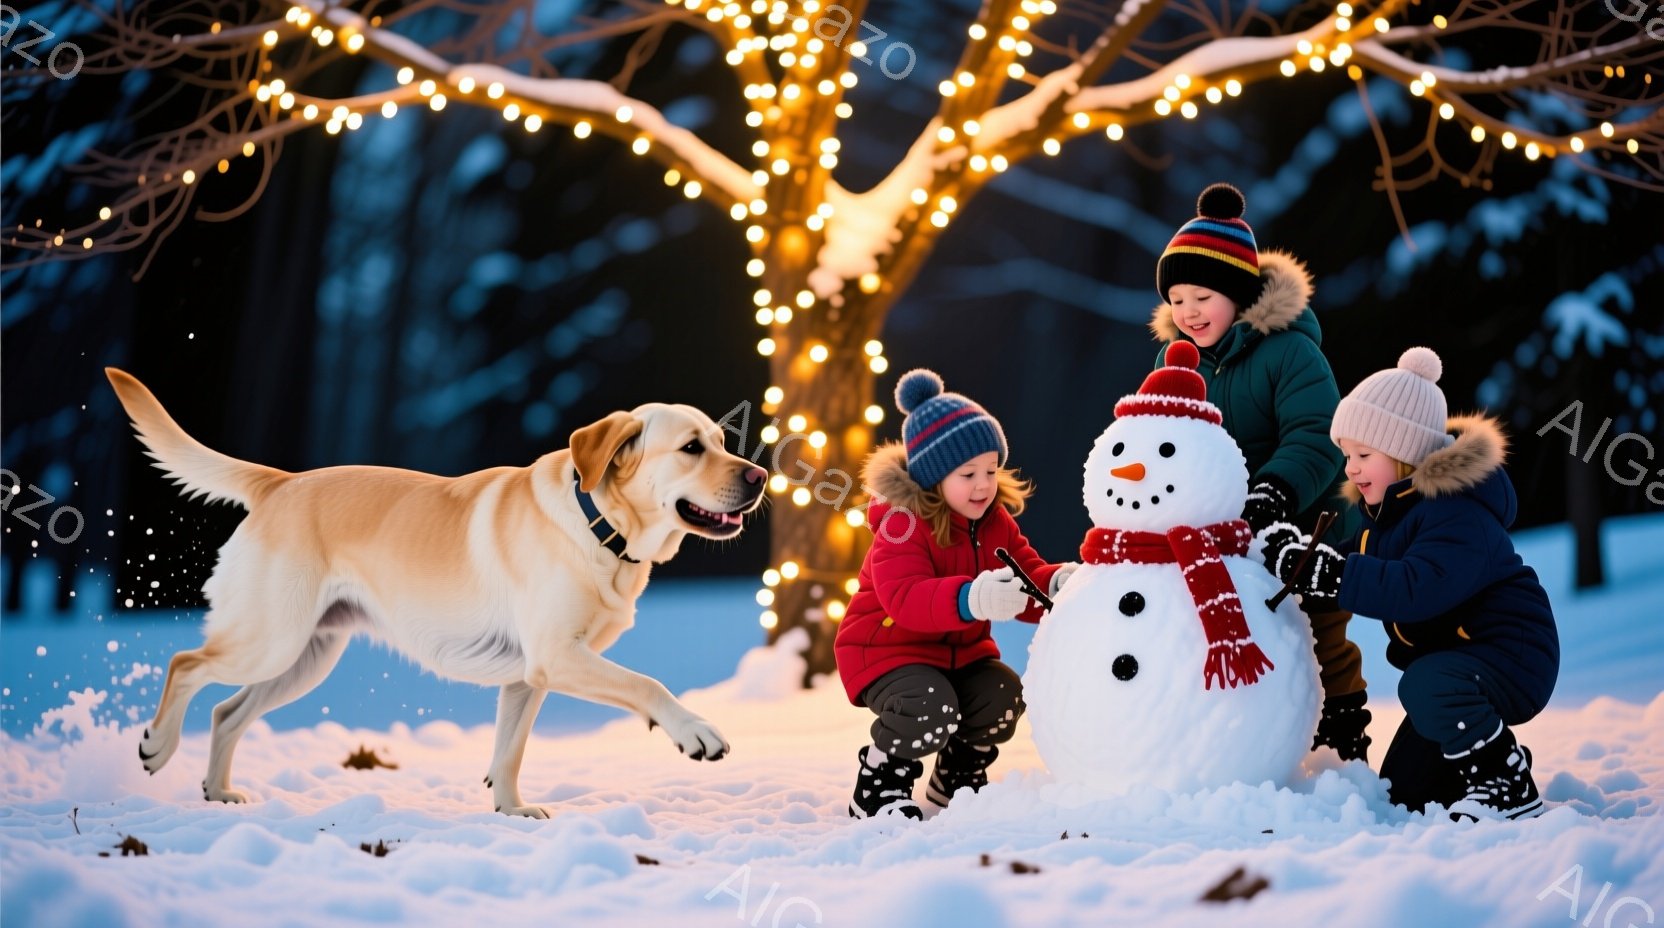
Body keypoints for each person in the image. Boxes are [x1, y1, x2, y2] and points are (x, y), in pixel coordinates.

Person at [1258, 347, 1559, 820]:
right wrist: (1294, 561)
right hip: (1459, 664)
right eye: (1346, 456)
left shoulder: (1457, 512)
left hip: (1511, 654)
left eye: (1363, 454)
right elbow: (1351, 560)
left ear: (1404, 454)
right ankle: (1485, 760)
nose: (1351, 468)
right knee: (1403, 795)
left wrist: (1331, 575)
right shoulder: (1385, 519)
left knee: (1424, 686)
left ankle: (1505, 782)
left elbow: (1416, 587)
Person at [1149, 182, 1370, 761]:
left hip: (1298, 520)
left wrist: (1275, 490)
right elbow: (1161, 440)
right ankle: (1223, 732)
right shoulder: (1175, 364)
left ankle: (1341, 730)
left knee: (1316, 628)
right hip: (1215, 531)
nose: (1188, 311)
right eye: (1176, 299)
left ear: (1239, 295)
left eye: (1202, 295)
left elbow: (1317, 433)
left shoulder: (1290, 353)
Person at [834, 369, 1075, 819]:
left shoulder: (994, 521)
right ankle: (879, 786)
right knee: (929, 706)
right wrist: (971, 599)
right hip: (885, 650)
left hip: (959, 655)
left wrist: (1058, 586)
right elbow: (903, 597)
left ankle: (957, 777)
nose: (984, 484)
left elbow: (1026, 574)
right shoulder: (902, 525)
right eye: (968, 474)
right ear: (933, 478)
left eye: (990, 470)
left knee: (1003, 695)